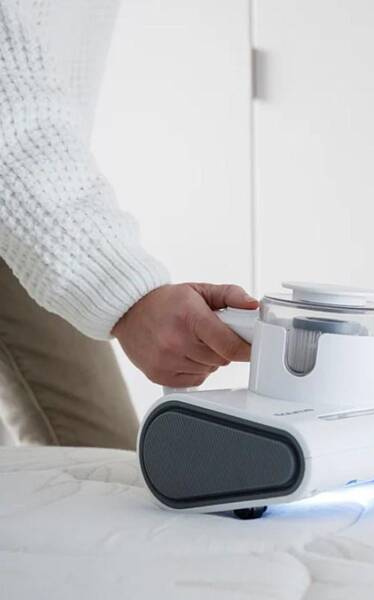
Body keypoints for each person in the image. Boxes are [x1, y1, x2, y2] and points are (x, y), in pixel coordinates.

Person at [0, 1, 257, 450]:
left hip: (24, 205)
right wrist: (128, 297)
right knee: (97, 461)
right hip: (29, 196)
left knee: (93, 461)